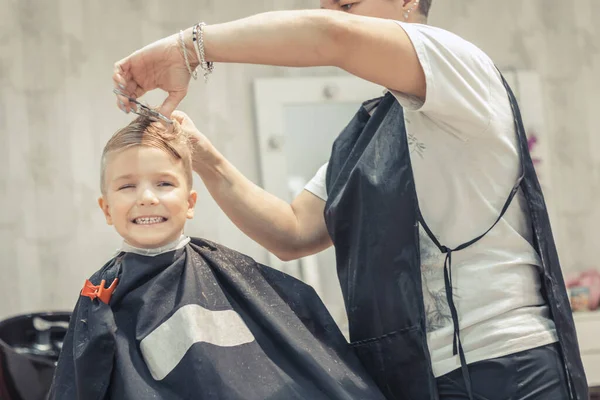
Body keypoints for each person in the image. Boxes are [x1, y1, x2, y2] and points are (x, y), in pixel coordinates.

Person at [112, 1, 588, 399]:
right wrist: (206, 157)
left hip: (505, 364)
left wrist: (187, 48)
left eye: (349, 3)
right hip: (409, 374)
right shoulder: (364, 135)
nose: (333, 10)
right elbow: (292, 231)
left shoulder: (456, 63)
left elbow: (332, 38)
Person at [48, 115, 386, 399]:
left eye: (164, 183)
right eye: (127, 187)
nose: (147, 197)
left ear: (191, 202)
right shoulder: (101, 294)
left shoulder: (230, 273)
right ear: (106, 209)